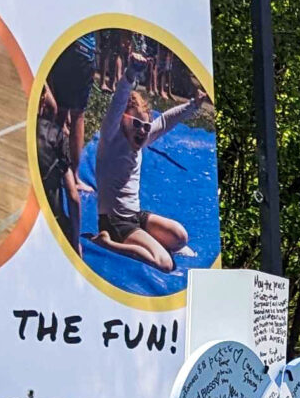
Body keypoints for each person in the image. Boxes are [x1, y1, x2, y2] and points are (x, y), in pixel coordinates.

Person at [90, 46, 203, 272]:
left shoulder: (141, 136)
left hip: (135, 216)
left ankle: (144, 241)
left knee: (180, 237)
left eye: (145, 126)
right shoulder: (111, 139)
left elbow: (166, 121)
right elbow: (117, 104)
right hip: (115, 222)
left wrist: (193, 105)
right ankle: (107, 243)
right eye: (136, 124)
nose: (142, 130)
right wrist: (131, 74)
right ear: (123, 121)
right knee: (165, 263)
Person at [39, 42, 90, 247]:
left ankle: (62, 172)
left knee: (61, 113)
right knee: (76, 113)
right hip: (82, 51)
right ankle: (73, 174)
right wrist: (76, 244)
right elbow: (74, 199)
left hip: (69, 50)